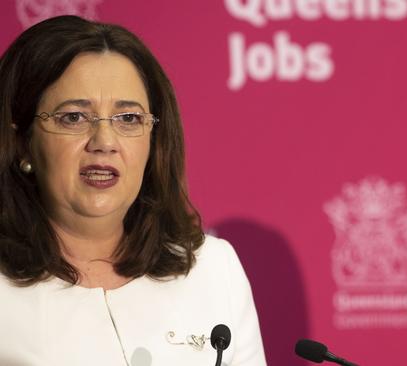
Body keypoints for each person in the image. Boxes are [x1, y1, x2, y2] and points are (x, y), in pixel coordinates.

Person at [0, 15, 266, 366]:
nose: (105, 142)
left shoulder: (213, 270)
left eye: (128, 119)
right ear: (22, 143)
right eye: (74, 117)